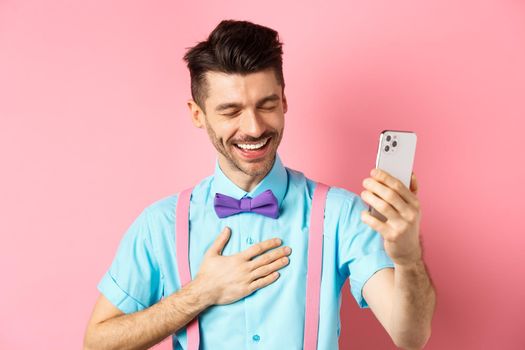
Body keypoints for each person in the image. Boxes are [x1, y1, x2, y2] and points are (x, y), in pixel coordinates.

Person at [83, 19, 436, 350]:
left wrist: (407, 258)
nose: (253, 128)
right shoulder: (159, 224)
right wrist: (198, 294)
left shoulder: (341, 214)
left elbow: (411, 336)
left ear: (283, 101)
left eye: (266, 105)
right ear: (197, 114)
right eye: (231, 111)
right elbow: (97, 342)